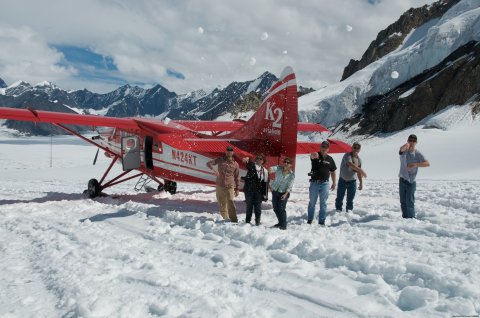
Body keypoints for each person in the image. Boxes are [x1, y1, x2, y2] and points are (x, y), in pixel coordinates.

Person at [398, 134, 430, 219]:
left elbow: (427, 163)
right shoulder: (404, 151)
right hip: (402, 179)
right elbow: (400, 150)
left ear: (416, 142)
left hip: (411, 181)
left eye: (413, 141)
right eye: (410, 140)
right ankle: (405, 218)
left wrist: (415, 165)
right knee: (403, 201)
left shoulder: (418, 153)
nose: (411, 142)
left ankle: (411, 219)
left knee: (410, 201)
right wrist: (405, 146)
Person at [207, 146, 240, 222]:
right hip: (220, 185)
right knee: (222, 204)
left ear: (233, 152)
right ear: (226, 152)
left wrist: (237, 188)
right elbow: (208, 163)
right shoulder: (220, 160)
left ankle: (234, 220)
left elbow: (237, 177)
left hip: (229, 186)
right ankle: (225, 219)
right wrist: (214, 171)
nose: (229, 152)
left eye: (231, 151)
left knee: (230, 202)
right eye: (228, 150)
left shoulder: (235, 164)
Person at [307, 141, 337, 225]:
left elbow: (333, 171)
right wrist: (313, 155)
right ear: (320, 147)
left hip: (325, 184)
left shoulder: (330, 159)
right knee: (312, 202)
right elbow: (312, 156)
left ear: (328, 149)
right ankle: (310, 220)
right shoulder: (316, 155)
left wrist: (334, 182)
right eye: (322, 146)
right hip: (314, 183)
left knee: (323, 203)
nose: (324, 148)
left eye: (326, 147)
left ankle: (321, 221)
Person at [335, 142, 367, 213]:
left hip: (352, 182)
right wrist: (362, 171)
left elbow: (358, 172)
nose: (356, 149)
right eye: (354, 147)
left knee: (350, 200)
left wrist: (361, 183)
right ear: (352, 148)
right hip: (342, 180)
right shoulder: (347, 155)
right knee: (339, 198)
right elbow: (350, 164)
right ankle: (337, 212)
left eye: (358, 148)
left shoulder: (359, 160)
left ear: (359, 150)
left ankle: (349, 213)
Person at [269, 157, 295, 230]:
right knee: (275, 208)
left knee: (281, 208)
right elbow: (271, 168)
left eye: (288, 162)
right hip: (275, 191)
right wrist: (270, 169)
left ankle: (283, 225)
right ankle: (280, 222)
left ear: (290, 165)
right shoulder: (279, 168)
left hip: (284, 193)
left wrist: (285, 194)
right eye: (285, 162)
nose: (286, 163)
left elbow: (290, 186)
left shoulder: (291, 175)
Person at [242, 154, 269, 225]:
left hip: (258, 192)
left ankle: (257, 221)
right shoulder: (252, 166)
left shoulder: (265, 171)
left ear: (263, 161)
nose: (259, 160)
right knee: (249, 206)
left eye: (261, 159)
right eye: (258, 158)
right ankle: (247, 221)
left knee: (258, 207)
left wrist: (265, 195)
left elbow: (265, 184)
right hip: (249, 190)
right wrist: (247, 159)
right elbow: (248, 164)